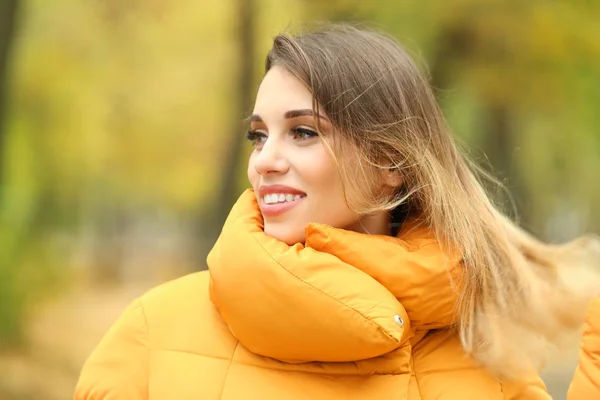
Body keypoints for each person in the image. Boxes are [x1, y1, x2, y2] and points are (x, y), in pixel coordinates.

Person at [74, 24, 600, 399]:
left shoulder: (487, 359)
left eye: (302, 132)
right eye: (258, 135)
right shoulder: (152, 334)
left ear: (390, 160)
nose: (265, 161)